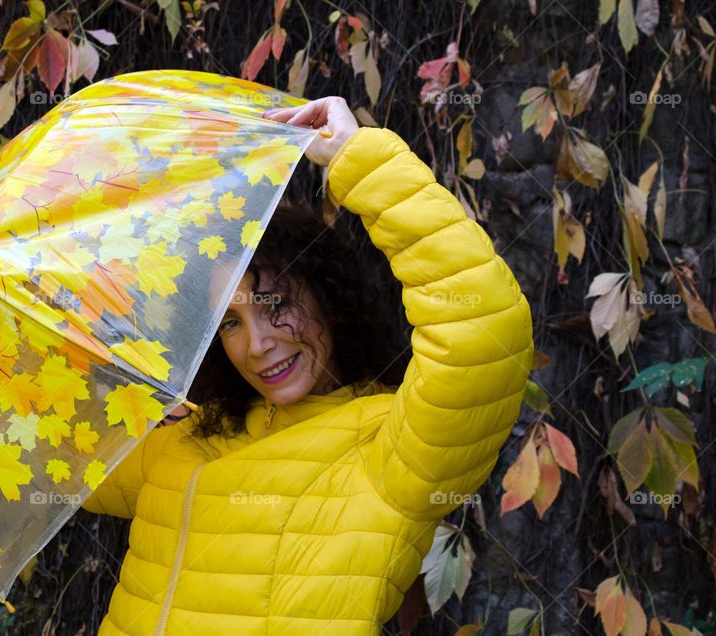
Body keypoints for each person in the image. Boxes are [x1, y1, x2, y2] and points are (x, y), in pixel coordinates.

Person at [82, 96, 535, 635]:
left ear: (328, 297)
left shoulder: (390, 447)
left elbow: (484, 329)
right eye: (229, 323)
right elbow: (58, 454)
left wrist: (357, 158)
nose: (257, 344)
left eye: (274, 305)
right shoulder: (189, 438)